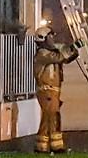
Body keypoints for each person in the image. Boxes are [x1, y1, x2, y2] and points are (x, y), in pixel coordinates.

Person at [33, 24, 81, 153]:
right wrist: (73, 47)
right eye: (50, 37)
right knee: (52, 116)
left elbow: (64, 59)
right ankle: (54, 146)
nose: (52, 40)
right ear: (43, 39)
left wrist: (74, 52)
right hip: (47, 90)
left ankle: (44, 146)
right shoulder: (42, 54)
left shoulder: (49, 53)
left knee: (50, 117)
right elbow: (59, 57)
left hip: (52, 91)